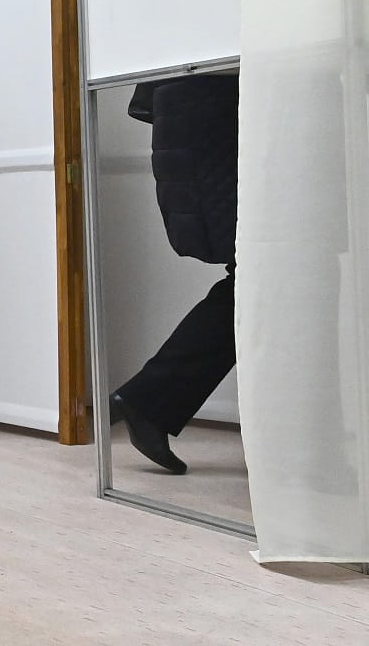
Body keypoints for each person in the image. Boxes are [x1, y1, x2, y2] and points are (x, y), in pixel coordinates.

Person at [110, 74, 239, 475]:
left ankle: (149, 400)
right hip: (213, 114)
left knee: (263, 279)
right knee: (262, 278)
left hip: (204, 114)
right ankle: (149, 400)